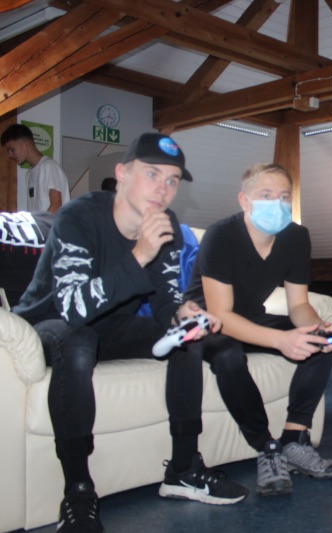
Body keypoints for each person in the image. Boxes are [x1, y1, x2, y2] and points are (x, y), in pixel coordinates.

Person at [12, 133, 248, 533]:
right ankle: (78, 491)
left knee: (185, 337)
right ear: (121, 173)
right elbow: (73, 310)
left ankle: (183, 469)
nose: (163, 188)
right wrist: (140, 253)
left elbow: (163, 298)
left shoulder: (166, 225)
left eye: (172, 180)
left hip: (111, 326)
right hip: (47, 325)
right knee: (79, 341)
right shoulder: (78, 217)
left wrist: (180, 312)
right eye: (152, 174)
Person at [183, 162, 332, 497]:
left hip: (250, 317)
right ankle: (266, 448)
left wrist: (318, 328)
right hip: (207, 323)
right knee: (228, 355)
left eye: (285, 196)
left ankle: (293, 439)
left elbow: (298, 305)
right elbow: (221, 314)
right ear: (245, 200)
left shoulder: (296, 237)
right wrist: (281, 340)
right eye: (267, 195)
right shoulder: (221, 235)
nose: (278, 203)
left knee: (318, 341)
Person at [2, 123, 70, 213]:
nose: (10, 155)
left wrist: (39, 222)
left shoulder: (49, 167)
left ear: (25, 144)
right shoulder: (29, 174)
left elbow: (56, 205)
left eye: (12, 149)